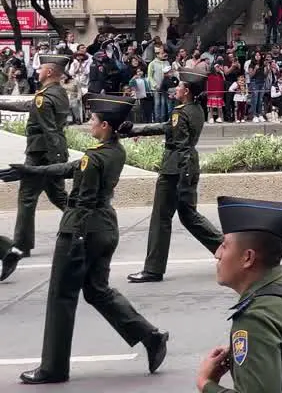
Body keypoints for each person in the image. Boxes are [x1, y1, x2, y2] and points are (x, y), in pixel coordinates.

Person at [0, 94, 168, 384]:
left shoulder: (95, 157)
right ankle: (151, 337)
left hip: (82, 231)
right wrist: (32, 171)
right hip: (105, 229)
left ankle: (53, 368)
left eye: (93, 120)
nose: (89, 123)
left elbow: (83, 199)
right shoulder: (113, 151)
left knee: (61, 297)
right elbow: (69, 168)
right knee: (97, 291)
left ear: (105, 126)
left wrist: (73, 235)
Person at [196, 196, 282, 393]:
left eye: (225, 245)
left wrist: (206, 384)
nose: (217, 253)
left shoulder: (254, 319)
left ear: (248, 258)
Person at [124, 68, 223, 283]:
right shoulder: (196, 109)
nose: (176, 88)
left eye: (178, 86)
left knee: (161, 218)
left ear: (186, 90)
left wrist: (182, 175)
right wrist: (134, 131)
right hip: (187, 166)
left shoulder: (180, 112)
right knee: (189, 216)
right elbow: (167, 128)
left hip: (174, 169)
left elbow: (179, 145)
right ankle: (227, 250)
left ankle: (153, 269)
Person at [0, 53, 72, 258]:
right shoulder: (57, 92)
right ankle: (88, 228)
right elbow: (28, 106)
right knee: (58, 196)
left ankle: (21, 245)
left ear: (49, 72)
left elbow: (48, 129)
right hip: (51, 152)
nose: (38, 72)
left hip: (40, 153)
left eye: (41, 69)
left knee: (27, 197)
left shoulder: (44, 97)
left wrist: (55, 160)